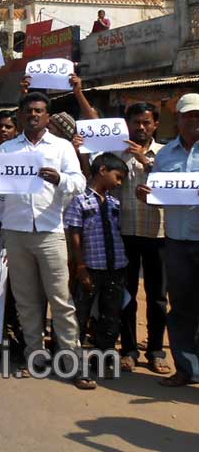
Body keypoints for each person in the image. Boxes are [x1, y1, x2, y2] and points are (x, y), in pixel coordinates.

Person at [0, 92, 93, 389]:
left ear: (47, 116)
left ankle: (73, 363)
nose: (33, 115)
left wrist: (60, 180)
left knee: (61, 301)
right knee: (27, 302)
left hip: (50, 231)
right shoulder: (7, 148)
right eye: (28, 110)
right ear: (19, 114)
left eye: (39, 111)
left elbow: (80, 183)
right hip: (16, 233)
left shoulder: (62, 147)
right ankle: (35, 357)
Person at [136, 93, 199, 387]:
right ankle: (186, 369)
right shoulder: (165, 155)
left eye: (198, 116)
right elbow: (159, 196)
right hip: (176, 241)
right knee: (181, 306)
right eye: (188, 116)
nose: (193, 121)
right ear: (179, 120)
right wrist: (146, 196)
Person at [65, 153, 129, 382]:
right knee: (80, 316)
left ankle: (101, 360)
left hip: (116, 267)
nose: (119, 182)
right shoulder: (80, 201)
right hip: (90, 267)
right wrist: (80, 266)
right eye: (118, 177)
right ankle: (74, 364)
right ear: (102, 171)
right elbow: (75, 234)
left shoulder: (114, 202)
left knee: (110, 317)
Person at [116, 102, 170, 374]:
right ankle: (128, 349)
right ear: (128, 124)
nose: (140, 127)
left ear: (155, 125)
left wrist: (146, 162)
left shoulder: (165, 154)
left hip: (157, 234)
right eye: (136, 122)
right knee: (127, 295)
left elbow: (173, 187)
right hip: (125, 232)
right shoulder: (116, 153)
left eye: (146, 122)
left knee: (158, 296)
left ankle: (156, 350)